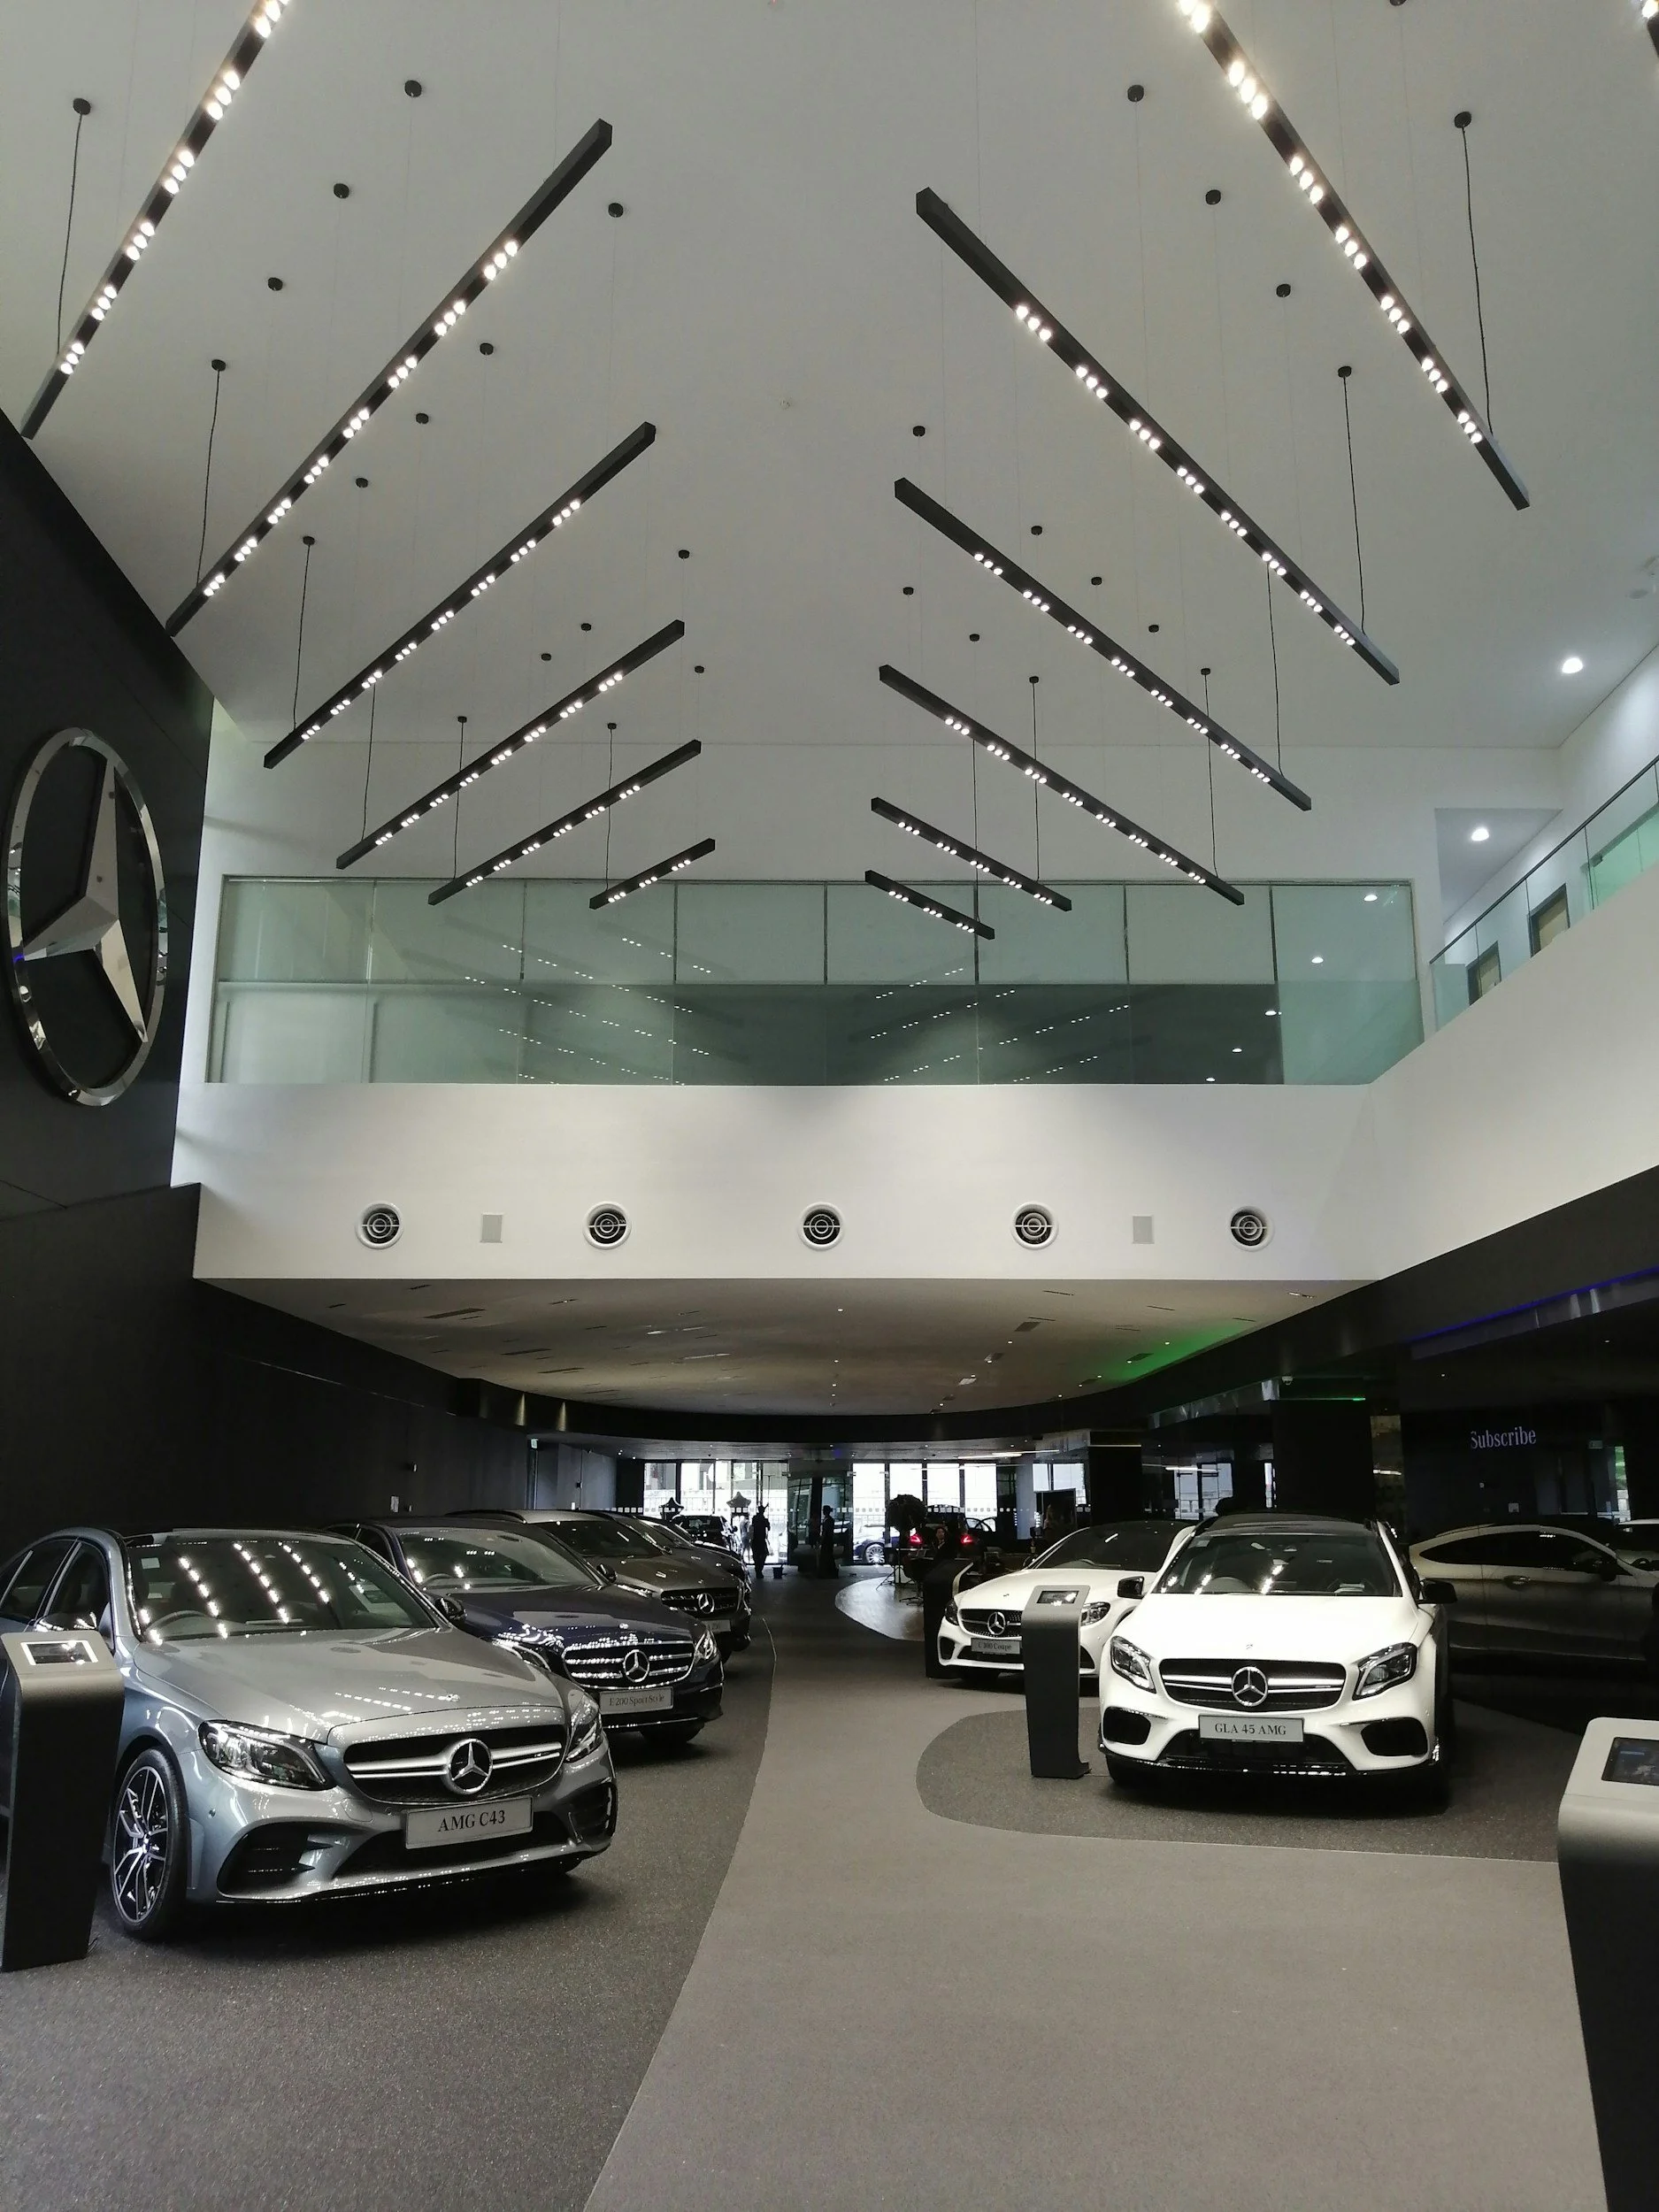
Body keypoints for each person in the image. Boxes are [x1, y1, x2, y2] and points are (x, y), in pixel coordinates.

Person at [818, 1502, 839, 1579]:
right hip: (828, 1540)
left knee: (827, 1556)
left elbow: (826, 1531)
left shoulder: (828, 1520)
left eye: (824, 1510)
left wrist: (822, 1540)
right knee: (828, 1556)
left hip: (827, 1541)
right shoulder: (829, 1520)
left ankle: (828, 1571)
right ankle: (830, 1571)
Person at [749, 1508, 770, 1578]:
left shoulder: (755, 1518)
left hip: (755, 1540)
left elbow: (752, 1527)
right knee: (763, 1555)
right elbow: (769, 1528)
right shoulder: (764, 1520)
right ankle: (759, 1570)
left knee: (756, 1556)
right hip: (761, 1540)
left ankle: (758, 1569)